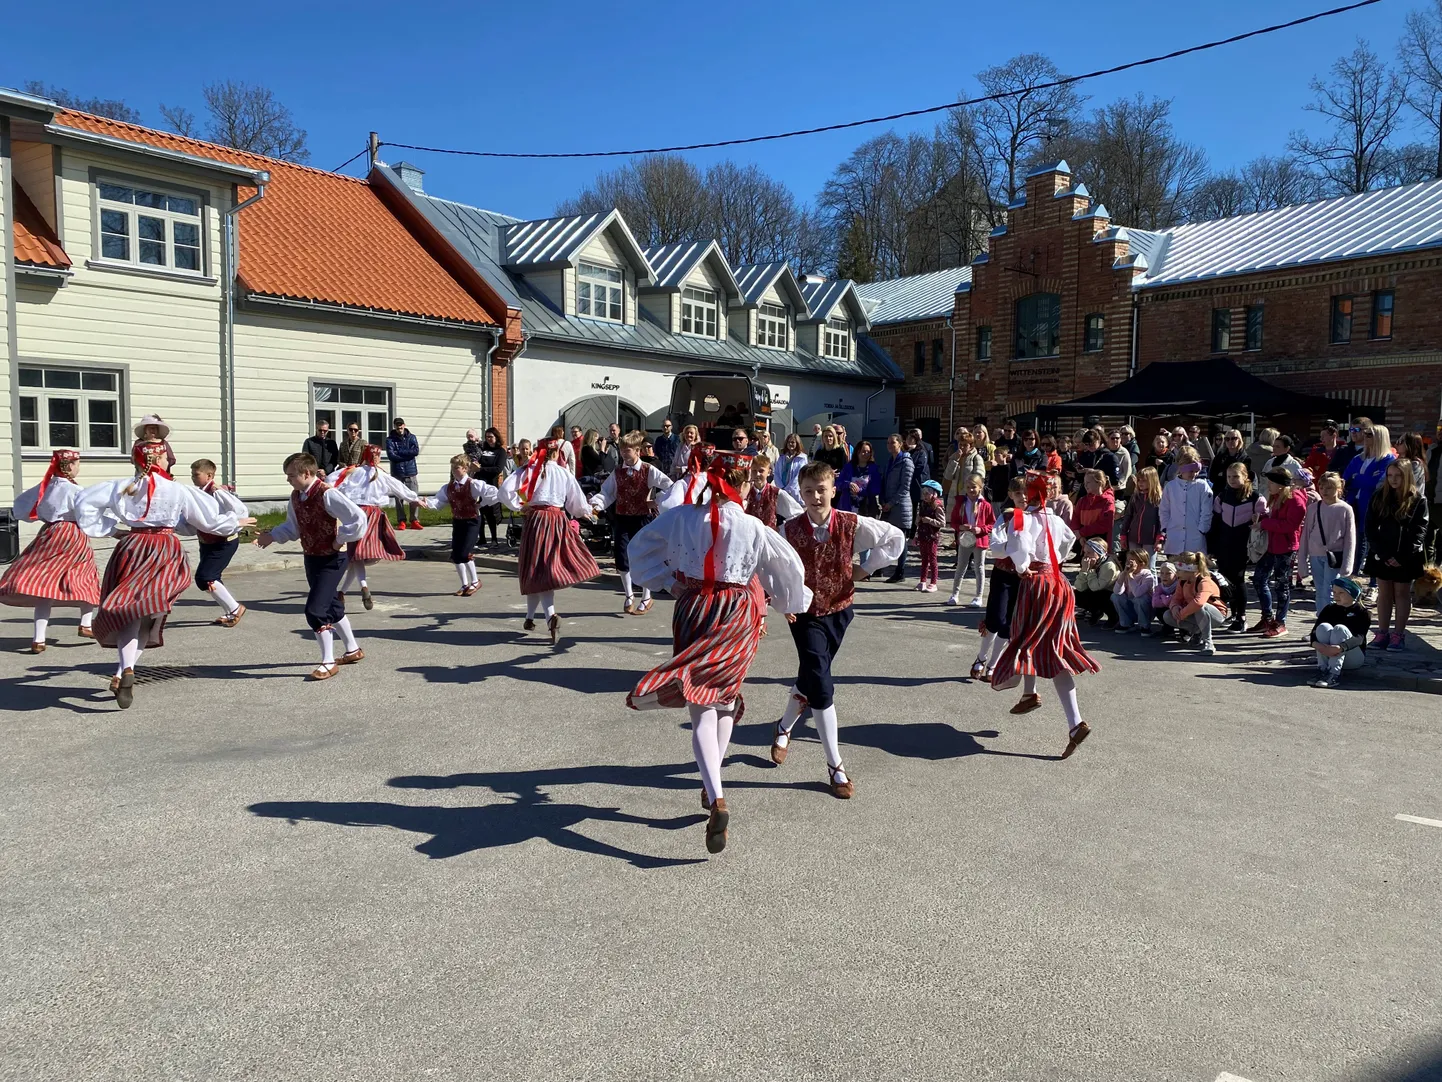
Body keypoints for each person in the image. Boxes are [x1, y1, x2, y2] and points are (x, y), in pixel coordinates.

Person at [626, 450, 812, 854]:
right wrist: (787, 603)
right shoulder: (753, 526)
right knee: (723, 700)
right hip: (740, 613)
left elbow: (638, 551)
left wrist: (666, 582)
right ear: (744, 485)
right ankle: (712, 788)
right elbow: (789, 570)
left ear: (708, 483)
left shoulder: (680, 517)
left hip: (694, 608)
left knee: (700, 706)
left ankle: (717, 793)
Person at [770, 461, 906, 800]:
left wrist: (867, 568)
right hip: (804, 613)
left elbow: (895, 537)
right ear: (799, 494)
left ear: (833, 489)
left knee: (812, 675)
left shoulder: (851, 523)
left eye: (821, 490)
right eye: (808, 491)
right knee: (821, 681)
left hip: (841, 610)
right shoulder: (788, 529)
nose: (815, 497)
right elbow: (771, 565)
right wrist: (782, 600)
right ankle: (835, 766)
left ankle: (784, 727)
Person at [75, 443, 249, 707]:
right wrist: (235, 522)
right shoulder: (178, 490)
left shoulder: (122, 486)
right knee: (147, 616)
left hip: (132, 548)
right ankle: (125, 670)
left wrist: (112, 530)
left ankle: (125, 670)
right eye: (169, 458)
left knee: (129, 614)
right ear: (162, 460)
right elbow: (208, 520)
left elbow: (84, 503)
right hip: (163, 551)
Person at [989, 471, 1099, 759]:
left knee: (1027, 639)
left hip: (1036, 584)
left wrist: (1022, 566)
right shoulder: (1056, 519)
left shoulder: (1021, 519)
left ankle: (1023, 688)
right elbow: (1065, 547)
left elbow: (1017, 548)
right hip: (1060, 584)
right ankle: (1067, 718)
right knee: (1051, 647)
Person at [256, 453, 368, 681]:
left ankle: (328, 662)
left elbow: (358, 519)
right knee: (331, 605)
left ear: (306, 473)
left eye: (291, 476)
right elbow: (293, 527)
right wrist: (272, 536)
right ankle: (352, 649)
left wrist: (340, 539)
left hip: (333, 558)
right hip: (312, 556)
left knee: (316, 610)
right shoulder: (296, 496)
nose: (288, 480)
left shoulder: (328, 494)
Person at [499, 438, 602, 644]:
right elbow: (576, 503)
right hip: (557, 520)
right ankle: (529, 619)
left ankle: (550, 617)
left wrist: (519, 506)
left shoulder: (529, 470)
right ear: (557, 454)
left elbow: (504, 491)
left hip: (536, 521)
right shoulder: (563, 472)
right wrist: (588, 513)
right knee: (544, 571)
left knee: (536, 570)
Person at [0, 449, 102, 650]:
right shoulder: (76, 491)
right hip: (73, 534)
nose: (79, 467)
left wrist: (39, 515)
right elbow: (89, 512)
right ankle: (86, 623)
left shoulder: (45, 487)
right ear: (70, 465)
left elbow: (20, 506)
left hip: (49, 533)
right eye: (78, 463)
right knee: (85, 576)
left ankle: (39, 639)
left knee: (45, 584)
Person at [326, 446, 425, 610]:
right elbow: (399, 487)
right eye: (377, 456)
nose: (378, 458)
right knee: (357, 556)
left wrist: (327, 487)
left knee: (355, 556)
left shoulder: (353, 471)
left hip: (355, 514)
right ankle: (354, 589)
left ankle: (346, 591)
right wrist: (414, 499)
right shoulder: (381, 474)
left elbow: (333, 479)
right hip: (373, 515)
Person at [590, 431, 674, 614]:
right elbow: (607, 493)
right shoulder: (618, 472)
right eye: (622, 450)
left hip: (643, 517)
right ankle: (629, 594)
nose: (623, 454)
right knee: (622, 555)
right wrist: (596, 504)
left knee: (645, 555)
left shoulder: (648, 469)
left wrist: (656, 501)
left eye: (627, 450)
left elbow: (670, 486)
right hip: (622, 517)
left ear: (637, 451)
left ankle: (646, 595)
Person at [1366, 460, 1429, 650]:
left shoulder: (1418, 499)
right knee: (1384, 593)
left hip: (1406, 554)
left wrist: (1402, 556)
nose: (1393, 479)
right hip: (1382, 552)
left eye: (1398, 475)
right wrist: (1383, 553)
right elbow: (1369, 527)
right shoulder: (1379, 496)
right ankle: (1382, 633)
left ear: (1407, 476)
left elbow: (1420, 530)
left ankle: (1398, 634)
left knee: (1401, 593)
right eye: (1390, 475)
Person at [971, 476, 1028, 680]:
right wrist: (1015, 549)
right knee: (995, 619)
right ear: (1011, 495)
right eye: (1019, 493)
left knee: (1009, 624)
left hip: (1024, 577)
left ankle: (994, 664)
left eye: (1027, 493)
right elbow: (996, 548)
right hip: (1004, 574)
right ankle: (981, 657)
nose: (1024, 497)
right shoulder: (1007, 517)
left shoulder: (1035, 517)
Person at [421, 453, 503, 597]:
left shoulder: (473, 484)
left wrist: (481, 504)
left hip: (472, 521)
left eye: (457, 467)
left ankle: (475, 581)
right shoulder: (449, 487)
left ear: (465, 468)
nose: (453, 470)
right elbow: (438, 502)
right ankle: (464, 584)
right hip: (458, 521)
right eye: (452, 467)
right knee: (456, 554)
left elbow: (493, 492)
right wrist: (425, 503)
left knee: (465, 552)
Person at [189, 458, 249, 627]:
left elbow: (239, 510)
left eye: (196, 475)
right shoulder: (200, 492)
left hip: (224, 542)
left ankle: (235, 608)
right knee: (212, 577)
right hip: (207, 542)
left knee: (205, 577)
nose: (193, 478)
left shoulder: (217, 492)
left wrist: (234, 524)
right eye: (192, 475)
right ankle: (231, 611)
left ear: (210, 475)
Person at [1209, 461, 1267, 633]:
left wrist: (1259, 522)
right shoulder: (1222, 496)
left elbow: (1264, 519)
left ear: (1245, 477)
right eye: (1229, 477)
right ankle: (1233, 614)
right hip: (1224, 544)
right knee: (1225, 579)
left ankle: (1241, 617)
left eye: (1236, 476)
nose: (1232, 480)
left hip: (1243, 545)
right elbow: (1216, 522)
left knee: (1238, 579)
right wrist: (1212, 546)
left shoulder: (1256, 497)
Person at [1252, 468, 1308, 638]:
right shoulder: (1276, 498)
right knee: (1259, 579)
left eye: (1271, 482)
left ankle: (1281, 622)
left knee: (1281, 585)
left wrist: (1266, 524)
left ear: (1281, 485)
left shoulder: (1296, 500)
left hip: (1286, 548)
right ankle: (1267, 617)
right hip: (1271, 546)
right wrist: (1262, 519)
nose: (1268, 485)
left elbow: (1290, 526)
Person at [1342, 422, 1396, 577]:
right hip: (1353, 503)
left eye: (1369, 434)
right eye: (1364, 434)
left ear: (1380, 438)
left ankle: (1370, 581)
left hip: (1373, 505)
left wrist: (1357, 479)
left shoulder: (1387, 460)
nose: (1365, 437)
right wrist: (1361, 479)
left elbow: (1377, 483)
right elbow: (1345, 480)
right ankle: (1353, 575)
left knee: (1371, 542)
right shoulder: (1358, 458)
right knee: (1355, 540)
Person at [1301, 471, 1356, 620]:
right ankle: (1322, 621)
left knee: (1331, 590)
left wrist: (1347, 565)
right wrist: (1302, 563)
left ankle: (1331, 620)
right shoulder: (1314, 508)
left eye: (1329, 488)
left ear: (1338, 489)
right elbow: (1305, 535)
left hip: (1334, 556)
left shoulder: (1345, 509)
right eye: (1322, 488)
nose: (1325, 492)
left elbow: (1350, 538)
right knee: (1320, 590)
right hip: (1315, 554)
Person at [1310, 576, 1371, 688]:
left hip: (1352, 657)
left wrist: (1340, 647)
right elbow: (1314, 631)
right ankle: (1322, 669)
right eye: (1334, 592)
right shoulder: (1329, 608)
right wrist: (1318, 645)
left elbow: (1359, 637)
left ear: (1352, 594)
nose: (1336, 595)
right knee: (1323, 627)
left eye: (1341, 593)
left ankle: (1333, 673)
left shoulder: (1362, 612)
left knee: (1340, 629)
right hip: (1328, 653)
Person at [1162, 552, 1227, 655]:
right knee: (1168, 615)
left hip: (1216, 615)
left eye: (1179, 570)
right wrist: (1174, 608)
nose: (1177, 573)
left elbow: (1199, 602)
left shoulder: (1204, 581)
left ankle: (1208, 643)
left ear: (1189, 570)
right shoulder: (1182, 581)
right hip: (1193, 612)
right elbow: (1176, 598)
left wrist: (1182, 614)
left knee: (1201, 607)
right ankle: (1198, 631)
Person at [948, 473, 993, 607]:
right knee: (961, 566)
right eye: (968, 487)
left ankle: (978, 597)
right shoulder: (961, 503)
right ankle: (954, 594)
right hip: (965, 540)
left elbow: (992, 524)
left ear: (980, 487)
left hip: (980, 540)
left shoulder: (985, 505)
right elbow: (953, 521)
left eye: (973, 487)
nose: (970, 490)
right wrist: (960, 527)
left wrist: (981, 529)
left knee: (979, 567)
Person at [1160, 448, 1213, 557]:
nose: (1193, 474)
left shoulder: (1202, 486)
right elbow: (1164, 509)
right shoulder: (1171, 486)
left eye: (1196, 470)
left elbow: (1207, 510)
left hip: (1195, 537)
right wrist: (1165, 527)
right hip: (1174, 535)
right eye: (1190, 470)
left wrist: (1202, 529)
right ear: (1181, 468)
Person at [880, 433, 915, 583]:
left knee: (901, 539)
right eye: (888, 443)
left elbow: (904, 487)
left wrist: (891, 503)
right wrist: (883, 500)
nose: (890, 446)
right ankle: (880, 567)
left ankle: (900, 571)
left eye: (892, 443)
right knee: (885, 538)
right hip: (889, 504)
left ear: (900, 444)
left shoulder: (906, 462)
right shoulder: (890, 461)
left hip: (901, 507)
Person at [1117, 466, 1164, 560]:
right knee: (1134, 564)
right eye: (1139, 480)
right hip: (1133, 537)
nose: (1140, 483)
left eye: (1144, 480)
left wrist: (1159, 539)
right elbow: (1128, 516)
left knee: (1149, 566)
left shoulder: (1159, 499)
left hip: (1150, 539)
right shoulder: (1135, 497)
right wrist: (1123, 535)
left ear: (1152, 481)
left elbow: (1162, 520)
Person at [472, 427, 508, 547]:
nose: (489, 439)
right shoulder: (483, 449)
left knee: (491, 512)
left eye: (491, 437)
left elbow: (498, 469)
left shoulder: (500, 452)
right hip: (479, 483)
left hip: (491, 484)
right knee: (479, 511)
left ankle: (494, 538)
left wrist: (481, 469)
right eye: (487, 437)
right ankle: (481, 538)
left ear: (496, 437)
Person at [745, 455, 802, 528]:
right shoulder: (746, 492)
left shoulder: (776, 493)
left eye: (761, 471)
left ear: (769, 472)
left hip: (768, 537)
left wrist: (782, 529)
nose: (757, 474)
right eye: (754, 471)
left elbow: (797, 513)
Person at [385, 418, 422, 529]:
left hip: (411, 471)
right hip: (397, 472)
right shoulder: (390, 440)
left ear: (404, 425)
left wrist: (400, 452)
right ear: (394, 426)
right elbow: (391, 455)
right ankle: (401, 521)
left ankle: (414, 520)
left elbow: (415, 451)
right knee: (398, 498)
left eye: (401, 425)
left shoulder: (412, 437)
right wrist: (407, 455)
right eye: (397, 425)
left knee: (414, 496)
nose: (399, 427)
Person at [1072, 538, 1119, 626]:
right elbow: (1079, 587)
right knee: (1075, 594)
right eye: (1085, 552)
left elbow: (1096, 587)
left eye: (1089, 553)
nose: (1086, 556)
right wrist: (1084, 570)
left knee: (1099, 595)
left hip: (1110, 595)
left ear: (1099, 552)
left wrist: (1091, 570)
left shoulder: (1109, 566)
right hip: (1097, 590)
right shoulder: (1093, 562)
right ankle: (1095, 611)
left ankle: (1114, 616)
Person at [1111, 549, 1157, 634]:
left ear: (1141, 563)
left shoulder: (1148, 576)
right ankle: (1126, 623)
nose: (1129, 563)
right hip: (1131, 607)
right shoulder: (1126, 573)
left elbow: (1137, 593)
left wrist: (1130, 576)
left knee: (1140, 599)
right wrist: (1123, 574)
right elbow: (1117, 592)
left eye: (1132, 561)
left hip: (1146, 610)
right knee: (1115, 596)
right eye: (1128, 560)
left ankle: (1144, 626)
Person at [1072, 469, 1116, 555]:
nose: (1085, 485)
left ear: (1099, 483)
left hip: (1101, 541)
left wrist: (1082, 532)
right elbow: (1075, 518)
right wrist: (1080, 536)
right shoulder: (1082, 501)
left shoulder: (1107, 501)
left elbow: (1105, 524)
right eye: (1084, 482)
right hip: (1084, 541)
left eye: (1088, 482)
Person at [914, 480, 946, 592]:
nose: (925, 496)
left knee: (932, 559)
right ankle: (922, 581)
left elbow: (942, 523)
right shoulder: (923, 504)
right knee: (924, 559)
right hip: (923, 535)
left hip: (932, 537)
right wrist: (918, 521)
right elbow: (918, 519)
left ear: (935, 494)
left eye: (927, 493)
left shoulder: (937, 507)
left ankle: (933, 582)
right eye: (924, 493)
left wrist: (930, 521)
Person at [944, 433, 987, 513]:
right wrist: (955, 461)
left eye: (965, 445)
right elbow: (948, 476)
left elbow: (979, 478)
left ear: (971, 445)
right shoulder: (954, 457)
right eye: (960, 444)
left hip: (970, 495)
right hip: (955, 495)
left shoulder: (976, 458)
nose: (962, 447)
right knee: (956, 522)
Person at [836, 441, 880, 517]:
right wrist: (848, 484)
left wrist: (860, 491)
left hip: (866, 509)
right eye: (863, 451)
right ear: (857, 452)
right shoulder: (848, 467)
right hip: (847, 508)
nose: (866, 454)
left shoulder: (873, 468)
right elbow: (838, 484)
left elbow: (876, 489)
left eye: (868, 452)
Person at [775, 432, 809, 500]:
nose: (790, 444)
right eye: (788, 442)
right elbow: (776, 473)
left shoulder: (802, 458)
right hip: (782, 490)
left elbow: (799, 475)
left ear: (797, 443)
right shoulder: (781, 458)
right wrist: (781, 487)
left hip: (794, 492)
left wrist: (788, 489)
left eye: (793, 442)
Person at [1149, 562, 1179, 637]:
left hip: (1178, 610)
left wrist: (1162, 596)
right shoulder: (1159, 587)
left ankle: (1185, 631)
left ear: (1175, 576)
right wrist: (1165, 598)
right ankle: (1168, 629)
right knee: (1158, 609)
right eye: (1162, 573)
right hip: (1167, 610)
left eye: (1168, 573)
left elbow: (1170, 601)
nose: (1164, 576)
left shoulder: (1179, 586)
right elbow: (1155, 603)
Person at [1429, 426, 1442, 566]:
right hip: (1430, 501)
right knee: (1427, 540)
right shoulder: (1432, 450)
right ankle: (1429, 574)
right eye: (1439, 427)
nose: (1440, 431)